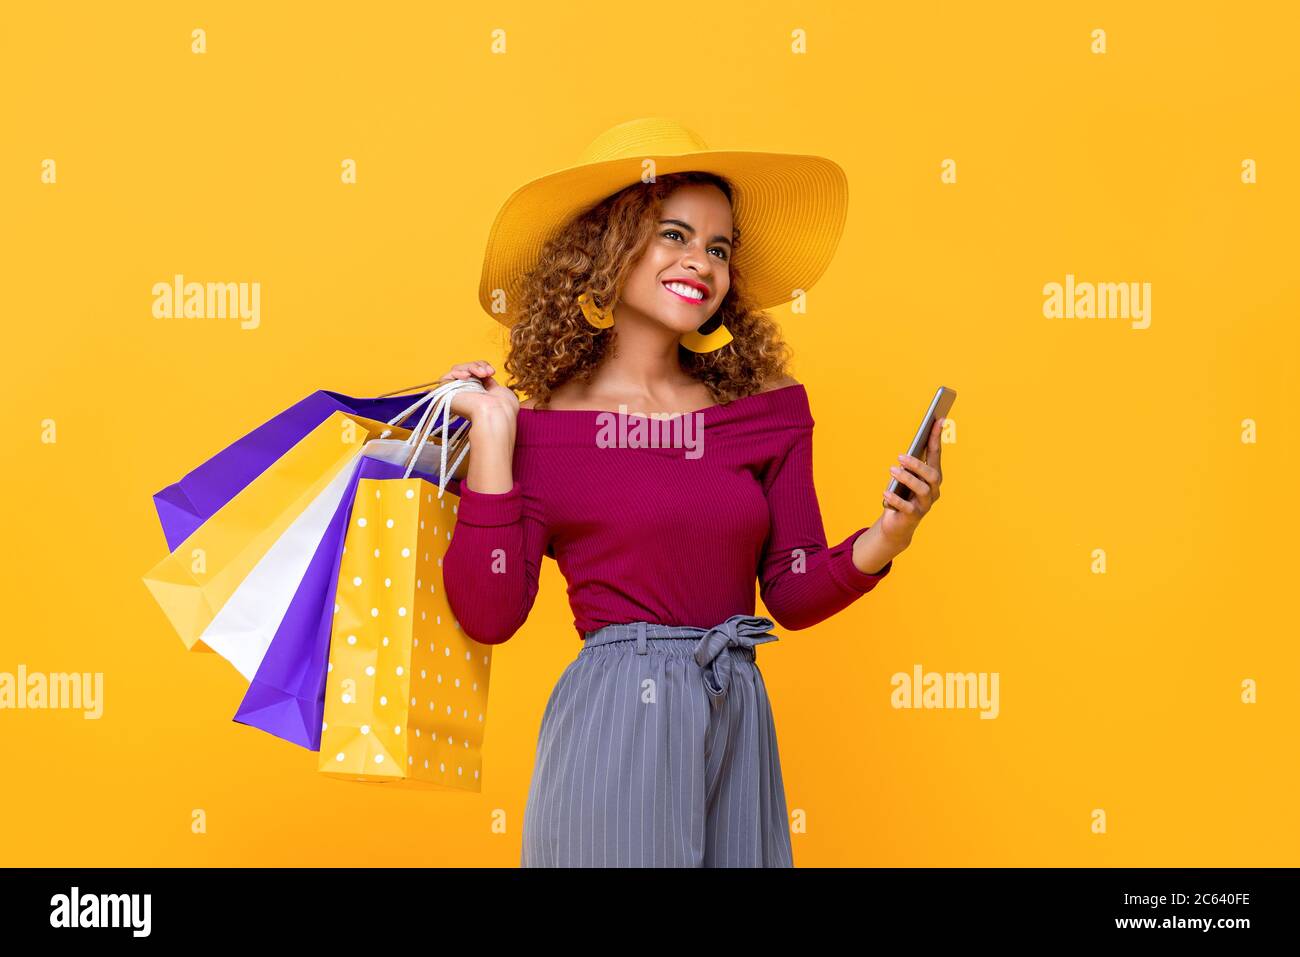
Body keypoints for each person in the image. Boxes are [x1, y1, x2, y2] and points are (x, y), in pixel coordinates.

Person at [436, 117, 945, 867]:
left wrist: (888, 536)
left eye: (718, 247)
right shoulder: (538, 428)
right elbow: (487, 612)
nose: (699, 262)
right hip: (616, 721)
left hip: (737, 716)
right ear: (608, 246)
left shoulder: (765, 410)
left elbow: (792, 591)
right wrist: (489, 437)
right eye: (673, 234)